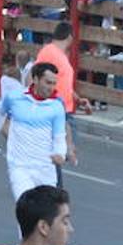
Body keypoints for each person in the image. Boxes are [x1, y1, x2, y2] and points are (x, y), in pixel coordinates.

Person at [0, 61, 68, 203]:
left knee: (45, 215)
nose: (52, 88)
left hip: (45, 168)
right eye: (48, 83)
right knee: (26, 207)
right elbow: (0, 114)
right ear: (35, 79)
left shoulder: (57, 106)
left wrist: (60, 153)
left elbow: (59, 137)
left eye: (54, 83)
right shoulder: (14, 97)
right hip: (19, 166)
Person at [34, 22, 88, 164]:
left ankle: (52, 182)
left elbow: (63, 82)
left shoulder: (58, 54)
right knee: (59, 153)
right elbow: (36, 76)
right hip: (55, 109)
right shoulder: (50, 52)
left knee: (60, 154)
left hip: (64, 109)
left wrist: (77, 98)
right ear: (70, 37)